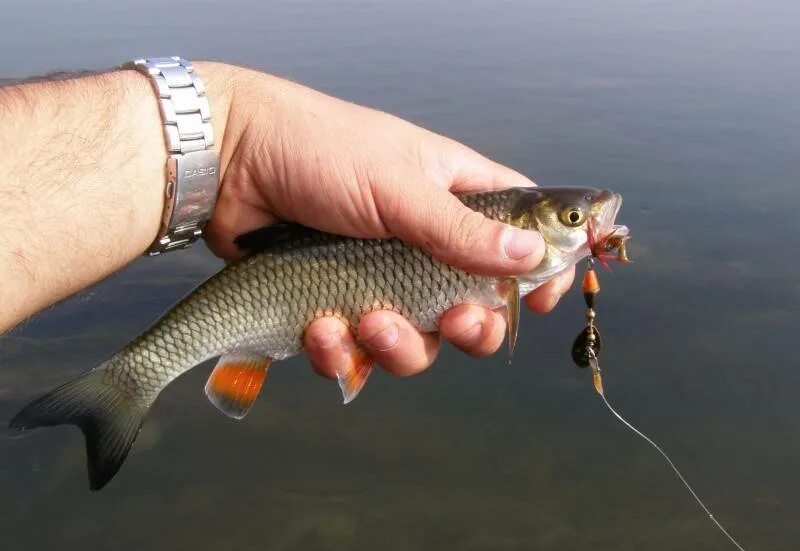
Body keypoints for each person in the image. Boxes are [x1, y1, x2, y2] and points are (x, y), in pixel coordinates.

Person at [0, 60, 574, 381]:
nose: (583, 225)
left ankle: (212, 369)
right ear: (521, 233)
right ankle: (134, 380)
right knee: (364, 339)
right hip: (278, 269)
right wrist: (231, 138)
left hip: (275, 264)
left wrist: (234, 139)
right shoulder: (504, 263)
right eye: (571, 218)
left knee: (361, 339)